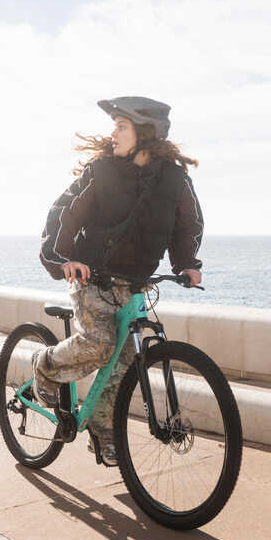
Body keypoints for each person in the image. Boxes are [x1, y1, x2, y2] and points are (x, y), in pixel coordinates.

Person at [35, 96, 205, 466]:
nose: (113, 134)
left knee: (126, 362)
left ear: (145, 133)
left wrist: (187, 264)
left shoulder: (175, 179)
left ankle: (102, 430)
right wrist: (63, 259)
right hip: (91, 276)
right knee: (99, 343)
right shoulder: (102, 171)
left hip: (134, 282)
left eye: (121, 127)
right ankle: (45, 366)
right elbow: (64, 213)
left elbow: (187, 224)